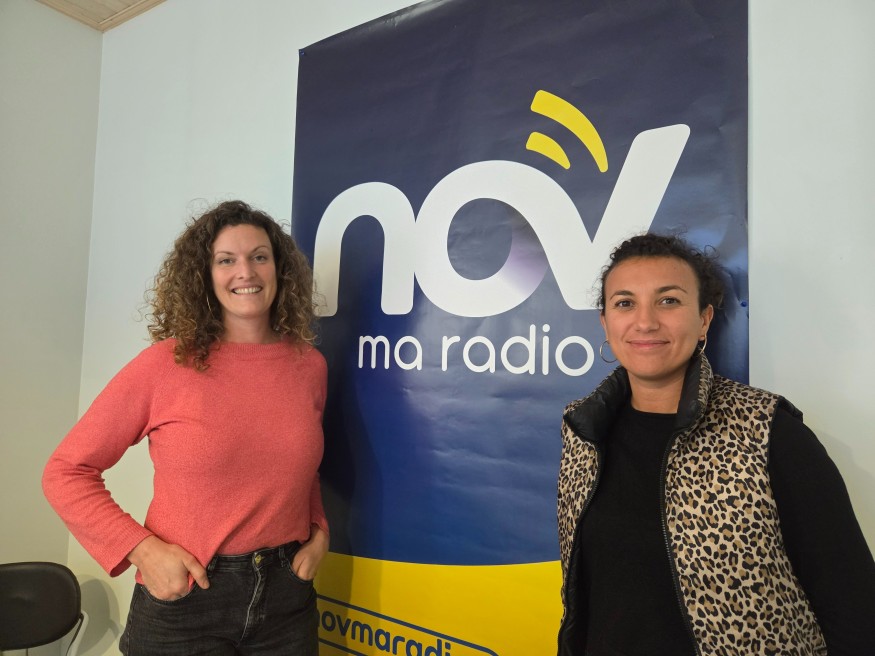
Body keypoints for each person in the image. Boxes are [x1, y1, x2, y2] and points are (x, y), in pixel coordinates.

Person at [556, 233, 875, 655]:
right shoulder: (583, 429)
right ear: (605, 323)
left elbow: (854, 606)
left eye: (668, 300)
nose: (645, 322)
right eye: (625, 303)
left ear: (704, 319)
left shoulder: (766, 430)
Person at [43, 200, 329, 655]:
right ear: (203, 275)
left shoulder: (309, 366)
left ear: (279, 268)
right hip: (187, 600)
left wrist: (319, 529)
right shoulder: (165, 365)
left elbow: (299, 466)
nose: (246, 272)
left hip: (287, 602)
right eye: (226, 260)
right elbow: (66, 471)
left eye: (259, 256)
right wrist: (142, 549)